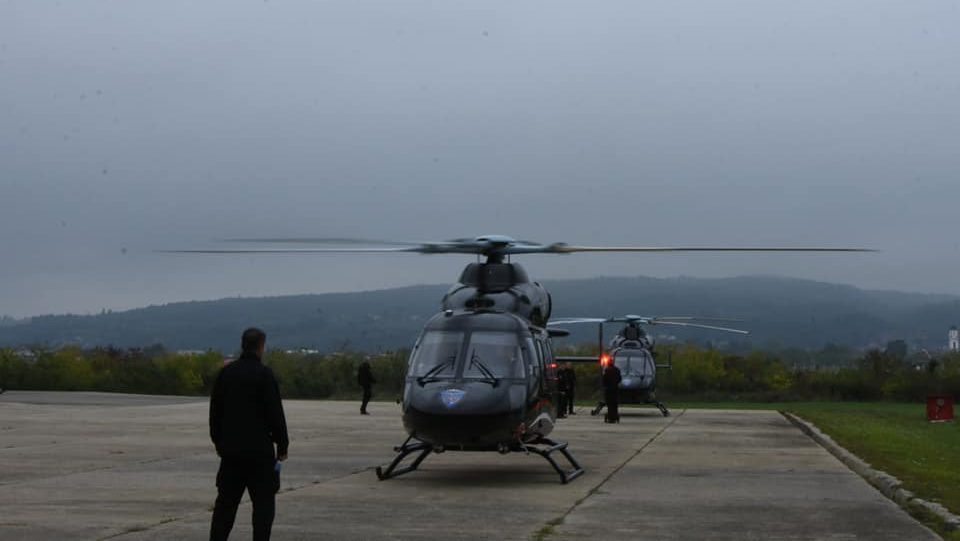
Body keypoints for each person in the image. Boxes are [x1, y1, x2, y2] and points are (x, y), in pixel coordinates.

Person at [209, 327, 289, 541]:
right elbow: (275, 414)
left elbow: (215, 412)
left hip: (231, 453)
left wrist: (219, 442)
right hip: (259, 453)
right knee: (263, 507)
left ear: (243, 345)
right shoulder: (265, 374)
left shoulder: (226, 374)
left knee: (225, 508)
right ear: (261, 347)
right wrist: (282, 446)